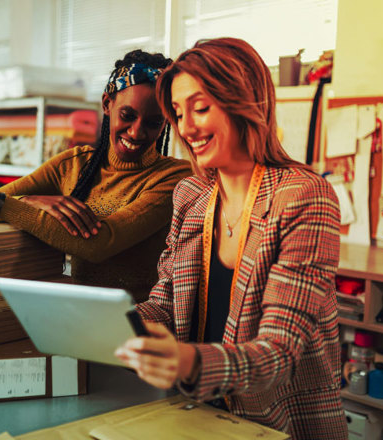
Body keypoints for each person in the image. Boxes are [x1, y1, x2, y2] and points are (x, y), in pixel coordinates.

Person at [115, 38, 348, 439]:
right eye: (178, 112)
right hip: (197, 415)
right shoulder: (191, 196)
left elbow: (278, 354)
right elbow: (167, 304)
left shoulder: (303, 196)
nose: (187, 128)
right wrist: (114, 324)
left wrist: (186, 361)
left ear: (244, 101)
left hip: (281, 424)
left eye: (200, 108)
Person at [0, 50, 191, 303]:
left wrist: (0, 202)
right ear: (107, 104)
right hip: (78, 316)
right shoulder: (73, 164)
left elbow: (98, 243)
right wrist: (26, 200)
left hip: (138, 326)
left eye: (154, 123)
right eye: (128, 116)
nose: (136, 132)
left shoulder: (175, 178)